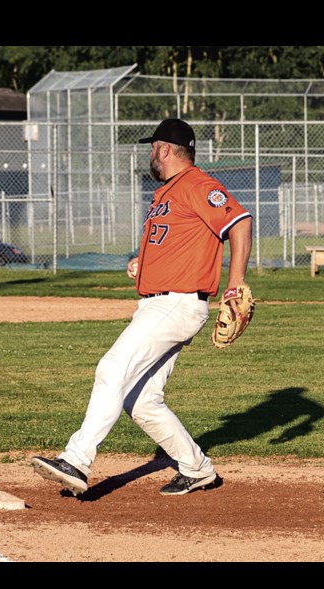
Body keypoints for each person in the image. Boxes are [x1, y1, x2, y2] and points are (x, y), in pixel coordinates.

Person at [30, 118, 252, 497]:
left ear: (165, 149)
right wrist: (142, 262)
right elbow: (178, 240)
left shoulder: (199, 185)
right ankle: (197, 467)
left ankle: (76, 460)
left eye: (153, 147)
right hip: (159, 303)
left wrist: (235, 285)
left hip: (176, 303)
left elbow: (240, 223)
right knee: (143, 401)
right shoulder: (168, 192)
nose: (150, 153)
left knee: (112, 369)